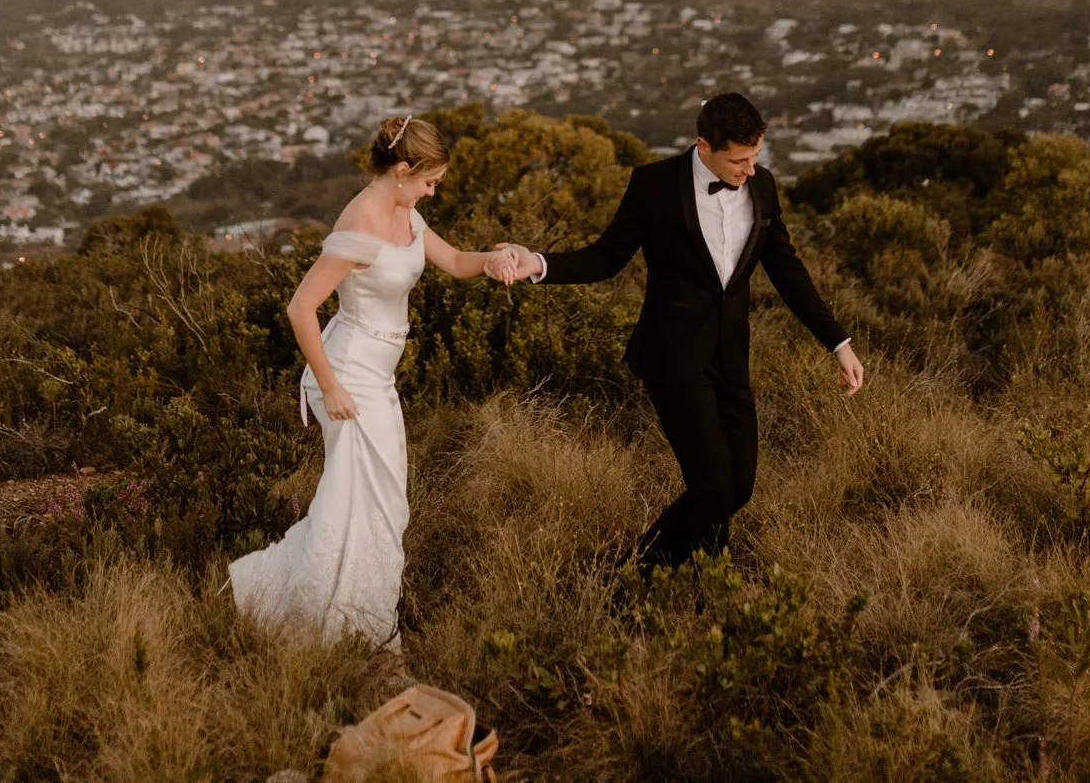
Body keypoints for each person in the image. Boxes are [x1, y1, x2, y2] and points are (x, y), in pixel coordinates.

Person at [488, 91, 863, 568]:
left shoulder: (763, 187)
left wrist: (838, 342)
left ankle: (633, 571)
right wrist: (536, 264)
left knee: (738, 487)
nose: (750, 170)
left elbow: (788, 271)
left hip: (731, 358)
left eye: (755, 157)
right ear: (704, 145)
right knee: (714, 486)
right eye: (739, 160)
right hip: (673, 357)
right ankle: (706, 590)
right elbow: (606, 258)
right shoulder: (655, 185)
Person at [230, 114, 511, 646]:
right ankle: (357, 630)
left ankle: (307, 609)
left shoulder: (406, 214)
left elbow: (454, 261)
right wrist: (330, 386)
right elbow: (300, 308)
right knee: (373, 505)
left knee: (368, 504)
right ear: (403, 170)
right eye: (429, 182)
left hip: (376, 378)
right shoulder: (359, 225)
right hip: (348, 376)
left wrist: (495, 261)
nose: (431, 192)